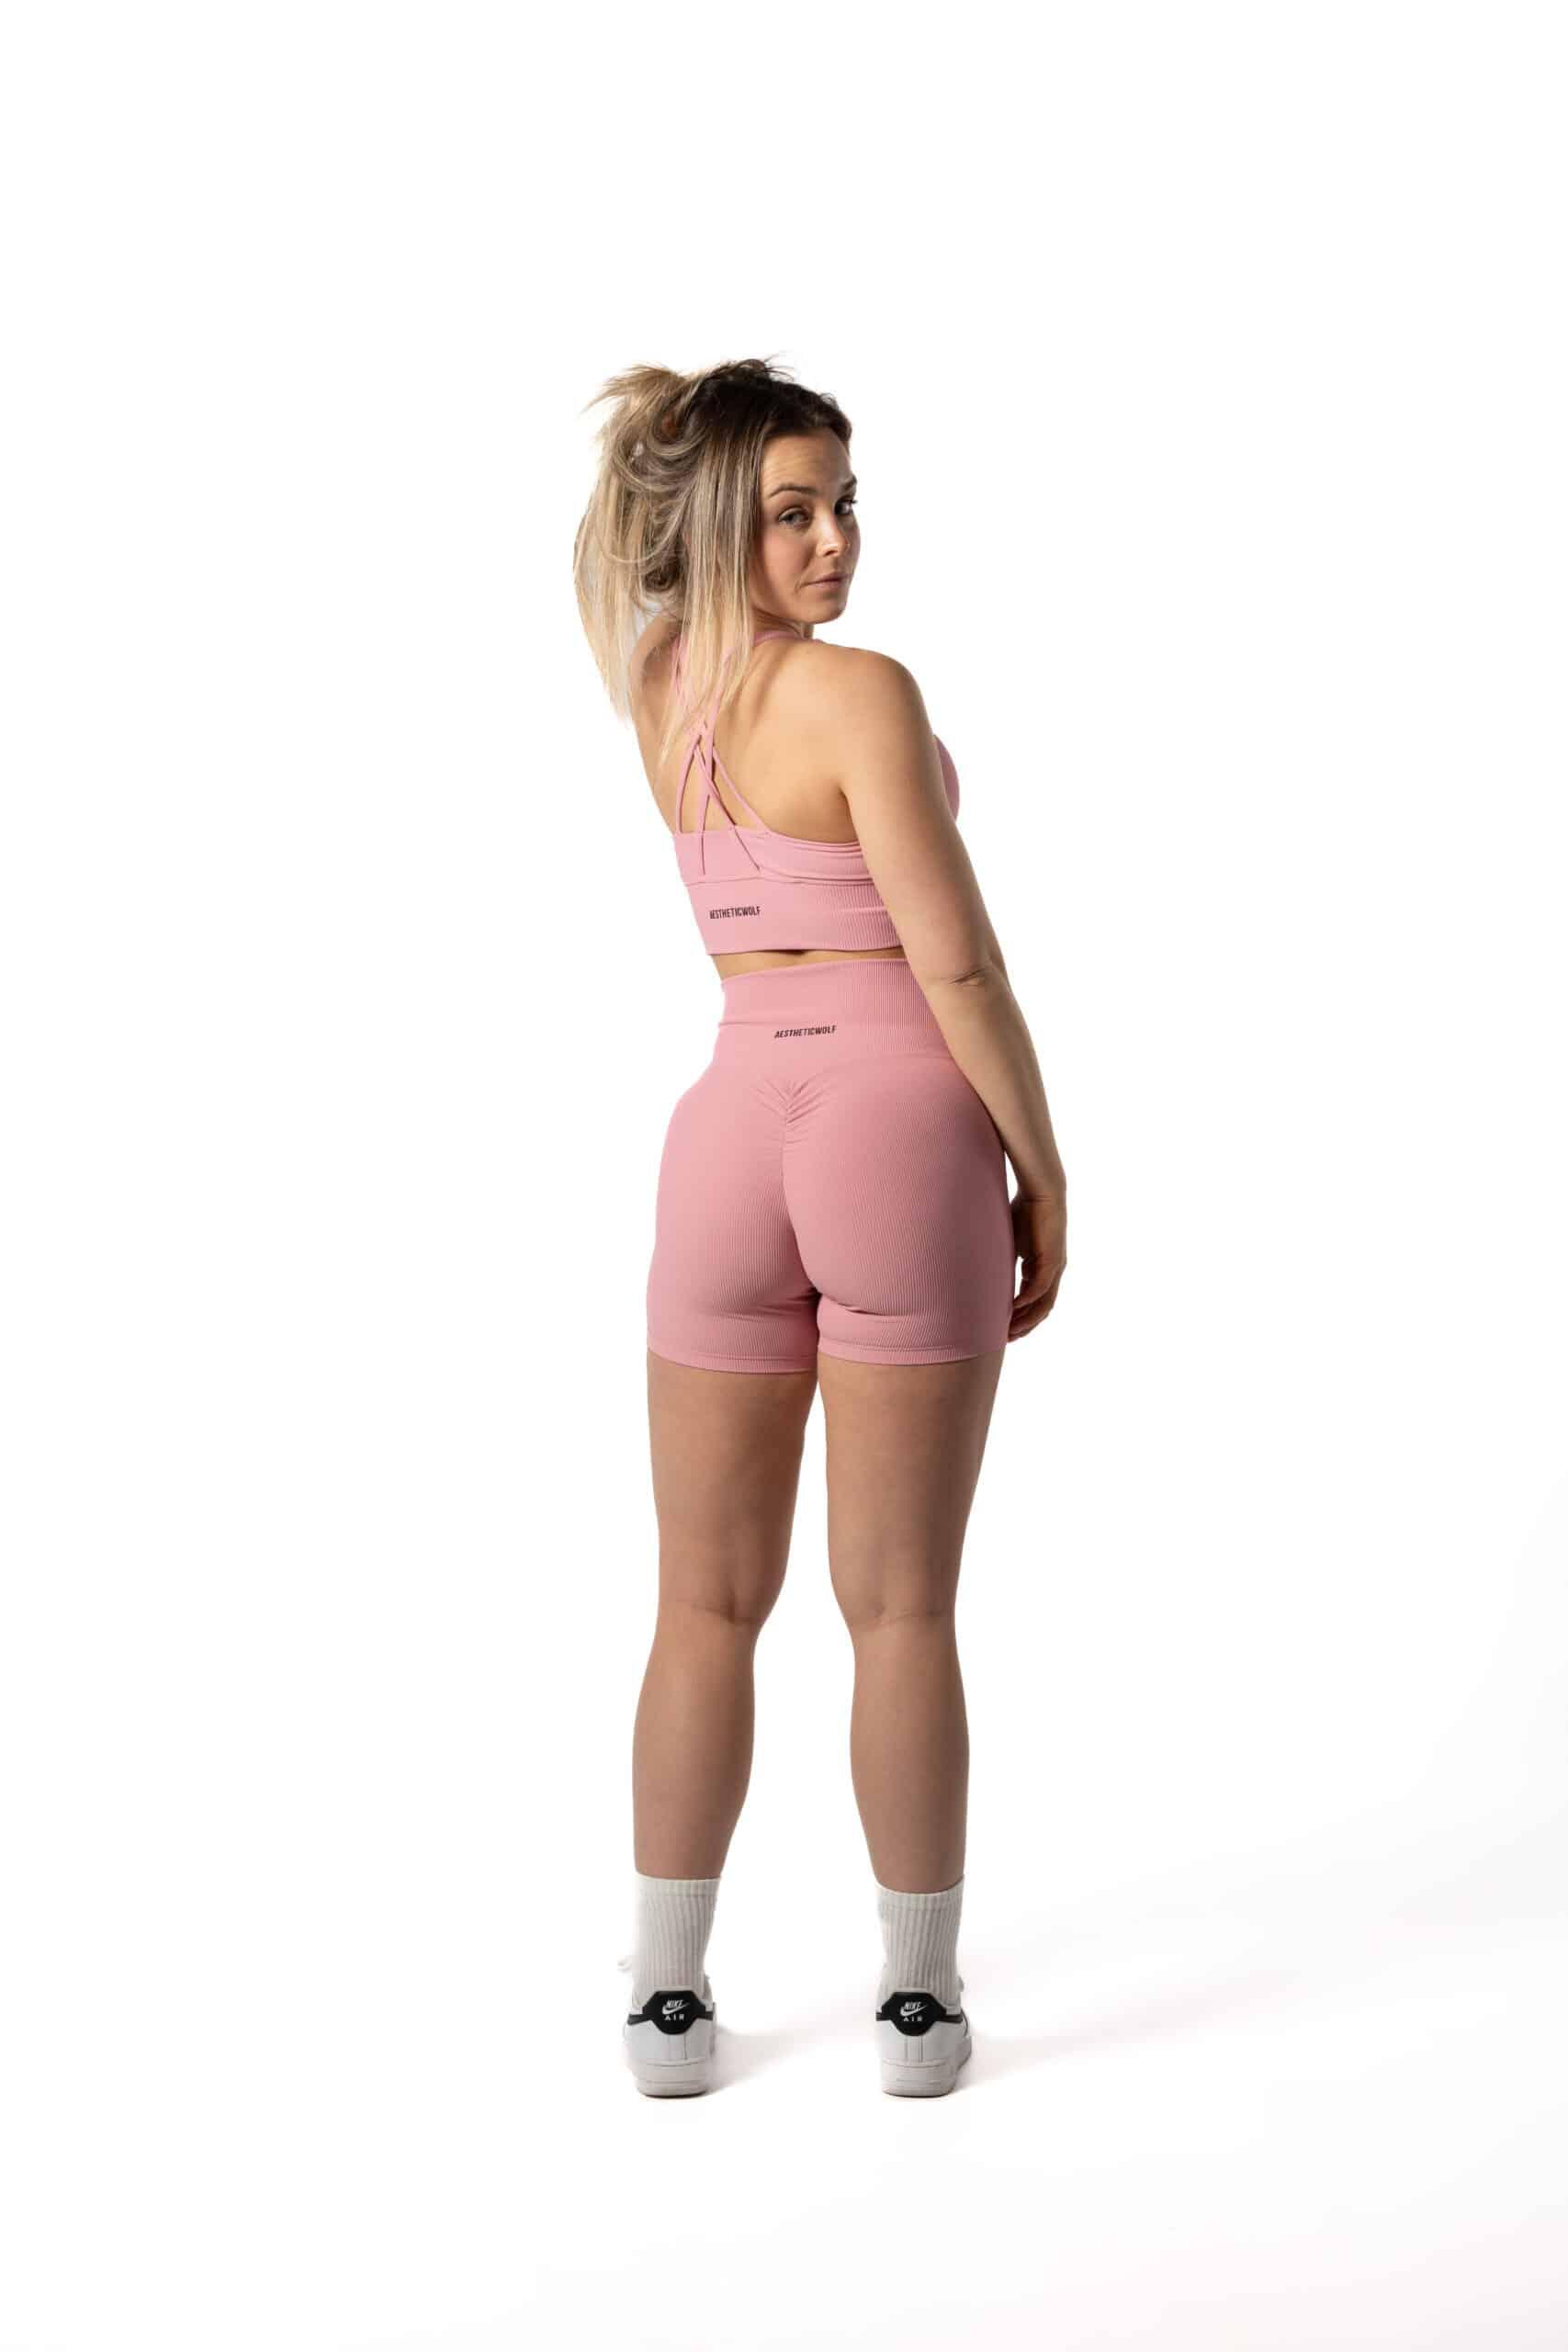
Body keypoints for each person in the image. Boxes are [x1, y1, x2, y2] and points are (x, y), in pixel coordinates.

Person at [572, 356, 1068, 2097]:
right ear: (721, 521)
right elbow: (959, 963)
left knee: (700, 1604)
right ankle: (919, 2011)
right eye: (792, 513)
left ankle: (666, 2001)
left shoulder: (659, 680)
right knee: (902, 1607)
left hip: (723, 1133)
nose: (836, 541)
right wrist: (1042, 1166)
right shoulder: (862, 693)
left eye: (845, 505)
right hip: (894, 1126)